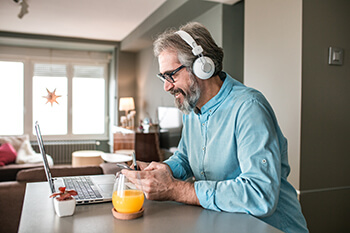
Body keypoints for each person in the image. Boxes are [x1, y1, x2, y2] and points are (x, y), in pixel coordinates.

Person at [122, 22, 308, 233]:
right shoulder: (192, 107)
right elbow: (185, 158)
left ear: (202, 67)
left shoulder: (249, 108)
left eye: (171, 75)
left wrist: (176, 190)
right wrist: (162, 171)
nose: (166, 86)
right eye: (163, 77)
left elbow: (260, 194)